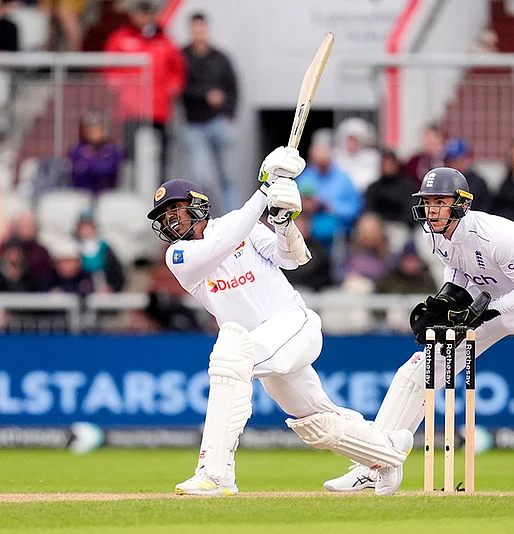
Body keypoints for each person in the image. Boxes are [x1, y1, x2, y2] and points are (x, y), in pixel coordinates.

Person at [145, 146, 413, 496]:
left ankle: (216, 474)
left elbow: (293, 258)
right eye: (165, 217)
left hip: (294, 326)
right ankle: (385, 453)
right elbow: (223, 243)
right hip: (264, 347)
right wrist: (263, 190)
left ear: (197, 205)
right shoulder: (179, 256)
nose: (171, 221)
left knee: (230, 354)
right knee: (316, 423)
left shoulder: (245, 227)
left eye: (176, 211)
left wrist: (284, 224)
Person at [323, 167, 514, 494]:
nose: (432, 210)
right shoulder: (433, 234)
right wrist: (447, 298)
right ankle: (373, 463)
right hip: (487, 302)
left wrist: (485, 311)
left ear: (461, 204)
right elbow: (458, 269)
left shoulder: (500, 234)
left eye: (440, 202)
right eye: (428, 202)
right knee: (419, 370)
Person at [104, 0, 185, 182]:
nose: (145, 17)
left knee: (162, 154)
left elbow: (177, 69)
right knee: (130, 154)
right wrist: (117, 86)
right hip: (131, 111)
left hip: (159, 110)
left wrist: (174, 86)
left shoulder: (164, 40)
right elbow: (109, 68)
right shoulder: (120, 38)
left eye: (148, 13)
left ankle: (161, 192)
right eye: (141, 12)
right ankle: (132, 188)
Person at [181, 12, 239, 214]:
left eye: (202, 28)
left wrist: (228, 113)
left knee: (228, 176)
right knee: (201, 178)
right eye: (195, 29)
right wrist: (205, 96)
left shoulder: (220, 58)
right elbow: (181, 88)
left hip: (218, 122)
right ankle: (203, 219)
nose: (199, 33)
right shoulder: (183, 58)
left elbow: (233, 87)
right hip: (194, 125)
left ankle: (232, 219)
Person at [68, 111, 125, 195]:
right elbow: (76, 171)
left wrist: (89, 164)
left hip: (108, 194)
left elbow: (108, 169)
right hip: (82, 194)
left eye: (97, 129)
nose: (93, 133)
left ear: (104, 131)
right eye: (90, 130)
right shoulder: (77, 150)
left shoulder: (114, 150)